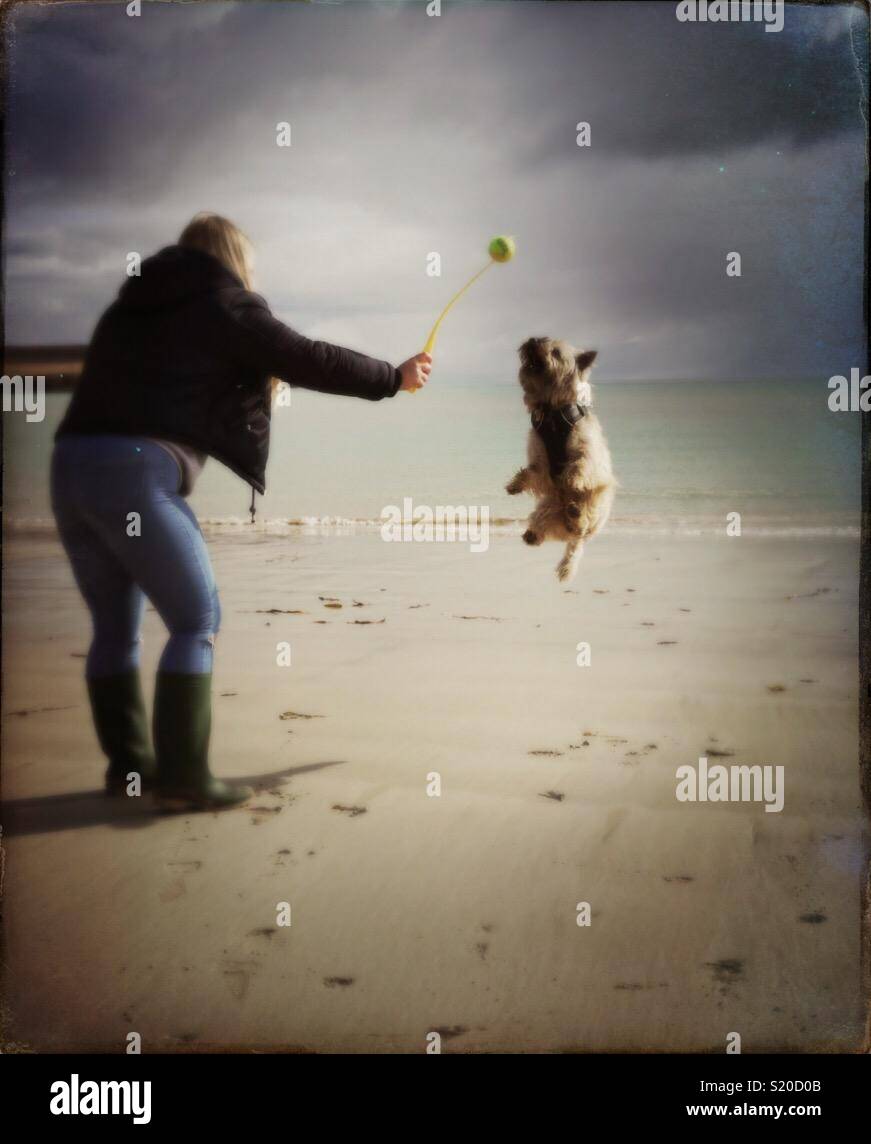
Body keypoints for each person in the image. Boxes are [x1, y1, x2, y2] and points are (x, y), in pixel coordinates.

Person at [52, 212, 431, 812]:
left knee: (115, 627)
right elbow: (308, 357)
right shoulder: (222, 303)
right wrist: (393, 377)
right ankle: (183, 780)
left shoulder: (133, 306)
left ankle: (130, 770)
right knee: (195, 618)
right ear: (233, 259)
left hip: (69, 468)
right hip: (135, 473)